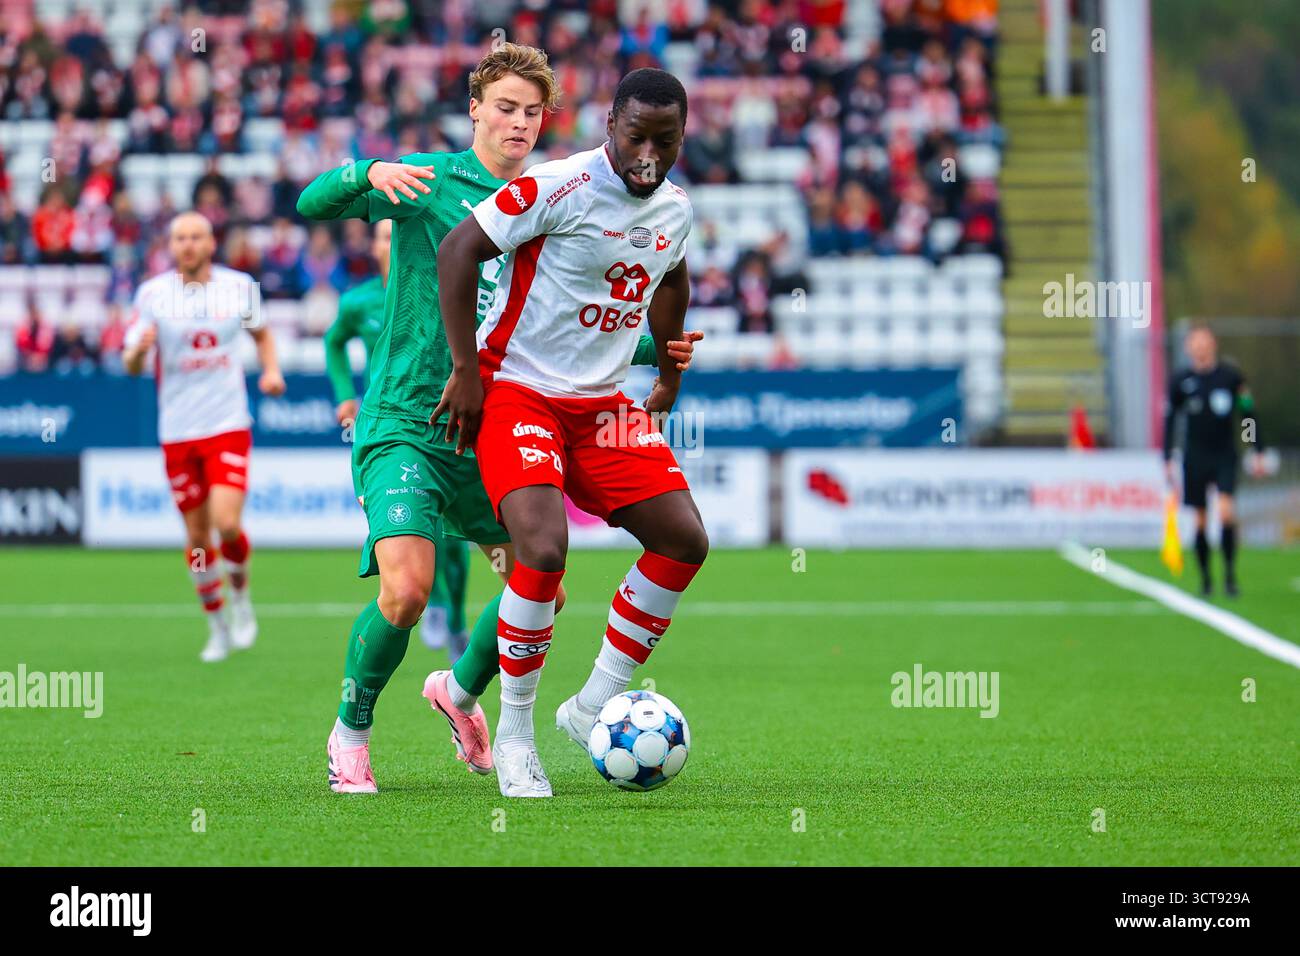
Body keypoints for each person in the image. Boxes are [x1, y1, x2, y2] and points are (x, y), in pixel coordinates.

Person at [296, 44, 701, 794]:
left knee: (538, 573)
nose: (519, 122)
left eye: (532, 111)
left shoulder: (564, 193)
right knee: (408, 589)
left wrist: (660, 353)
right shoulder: (433, 180)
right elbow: (310, 205)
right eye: (505, 107)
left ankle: (460, 693)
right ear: (476, 108)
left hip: (495, 414)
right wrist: (363, 174)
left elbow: (587, 313)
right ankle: (351, 731)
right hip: (416, 416)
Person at [436, 68, 708, 797]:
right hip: (519, 391)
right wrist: (466, 369)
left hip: (601, 407)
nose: (649, 155)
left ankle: (590, 704)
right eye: (636, 136)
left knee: (684, 540)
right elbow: (458, 250)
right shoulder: (557, 186)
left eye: (667, 140)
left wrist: (670, 376)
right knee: (544, 547)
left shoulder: (675, 211)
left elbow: (673, 280)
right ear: (609, 126)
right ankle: (516, 733)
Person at [122, 211, 286, 660]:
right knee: (196, 540)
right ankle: (215, 625)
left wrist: (271, 370)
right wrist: (138, 350)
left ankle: (241, 599)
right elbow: (131, 364)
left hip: (227, 423)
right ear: (170, 246)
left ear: (211, 243)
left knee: (227, 522)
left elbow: (263, 335)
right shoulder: (153, 295)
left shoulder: (239, 287)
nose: (188, 245)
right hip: (177, 430)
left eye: (196, 237)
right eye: (180, 238)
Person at [322, 219, 474, 659]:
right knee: (422, 527)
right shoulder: (360, 301)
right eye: (385, 237)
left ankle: (456, 619)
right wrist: (345, 396)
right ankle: (440, 607)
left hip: (446, 418)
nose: (394, 243)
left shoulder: (438, 290)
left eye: (398, 234)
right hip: (391, 425)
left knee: (458, 535)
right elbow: (333, 343)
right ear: (374, 245)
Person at [1162, 325, 1265, 596]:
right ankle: (1206, 578)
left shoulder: (1230, 377)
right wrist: (1167, 456)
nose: (1200, 347)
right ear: (1188, 347)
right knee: (1200, 520)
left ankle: (1230, 575)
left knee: (1226, 512)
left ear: (1213, 344)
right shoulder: (1181, 380)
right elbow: (1171, 419)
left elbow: (1247, 414)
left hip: (1224, 455)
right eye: (1194, 342)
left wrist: (1256, 448)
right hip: (1195, 457)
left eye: (1204, 341)